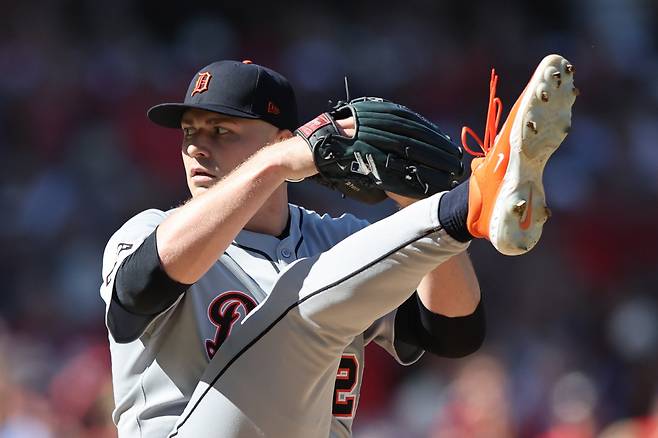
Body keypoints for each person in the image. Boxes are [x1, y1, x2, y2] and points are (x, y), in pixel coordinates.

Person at [100, 56, 575, 437]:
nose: (197, 148)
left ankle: (466, 205)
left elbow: (454, 332)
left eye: (220, 131)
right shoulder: (150, 230)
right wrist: (274, 166)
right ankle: (470, 201)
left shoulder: (341, 242)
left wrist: (418, 201)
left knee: (318, 289)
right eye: (189, 132)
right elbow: (139, 291)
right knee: (302, 304)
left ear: (283, 138)